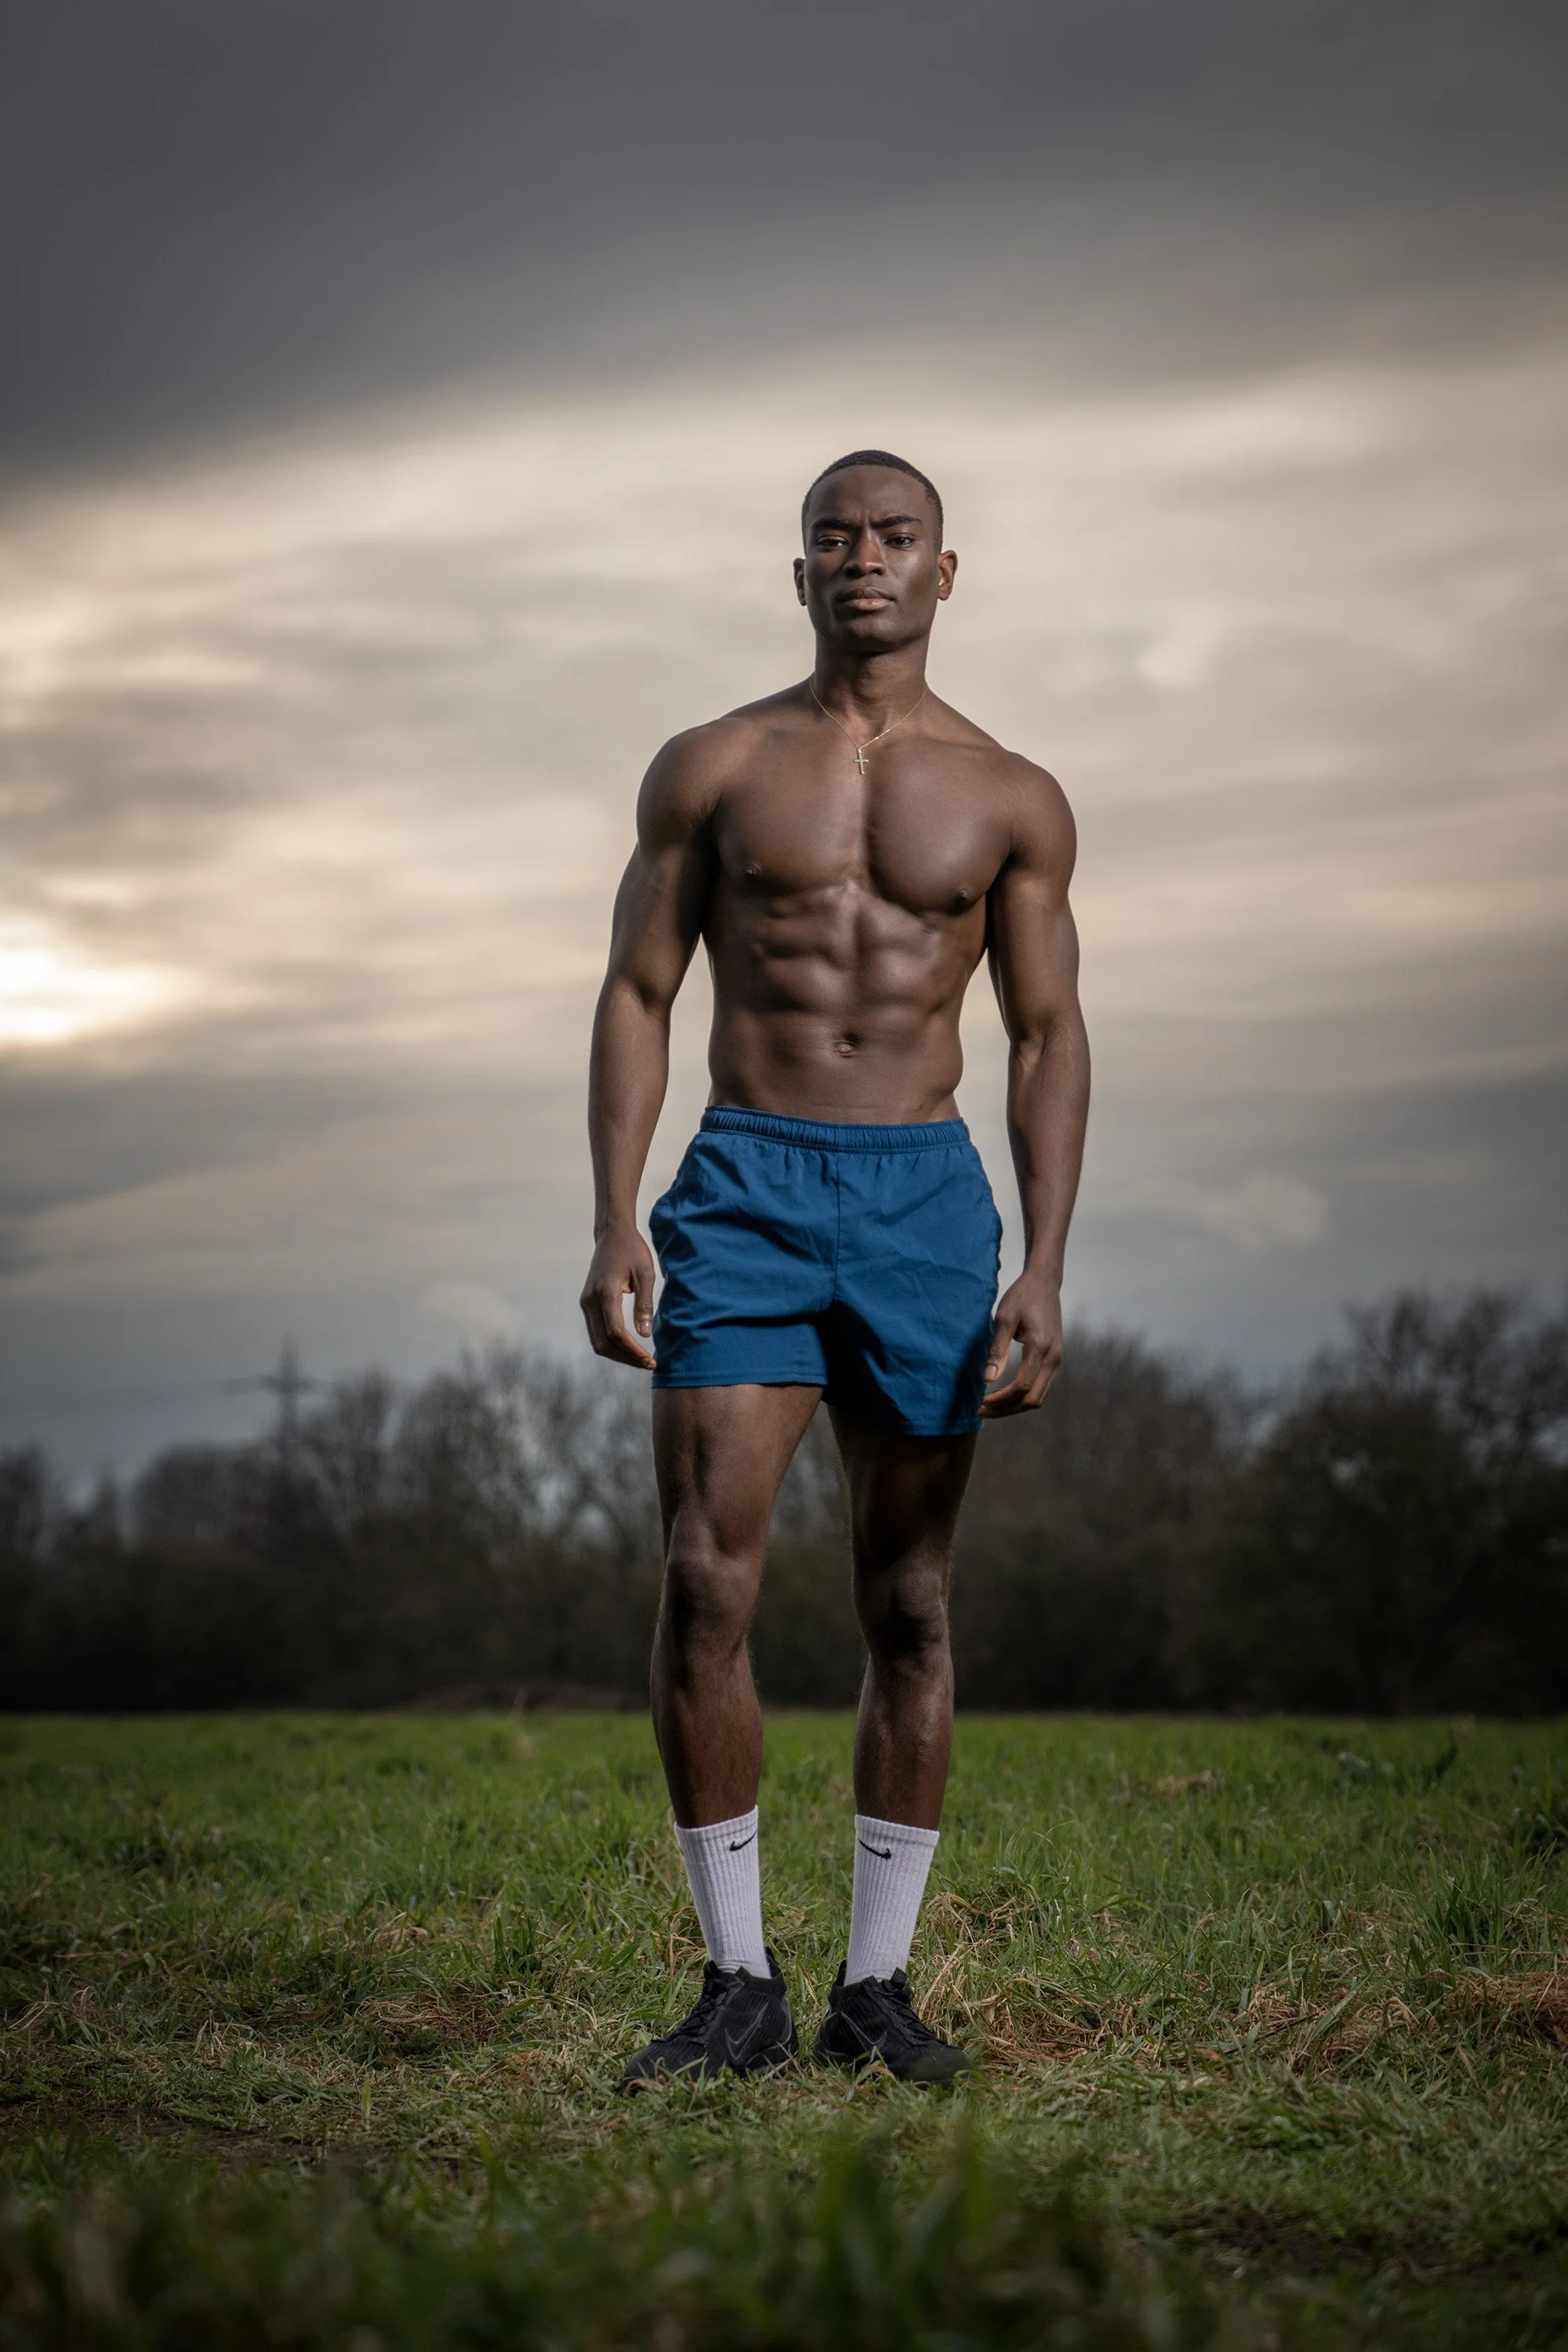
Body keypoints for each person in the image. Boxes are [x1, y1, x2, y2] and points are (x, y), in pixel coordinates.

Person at [579, 450, 1088, 2085]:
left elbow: (1049, 1034)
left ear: (946, 572)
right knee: (704, 1578)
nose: (861, 560)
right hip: (744, 1182)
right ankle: (737, 1984)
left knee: (910, 1601)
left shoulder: (1011, 795)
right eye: (831, 539)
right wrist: (612, 1218)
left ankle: (879, 1992)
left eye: (894, 537)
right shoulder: (713, 766)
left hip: (923, 1202)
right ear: (794, 572)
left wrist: (1046, 1263)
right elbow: (637, 993)